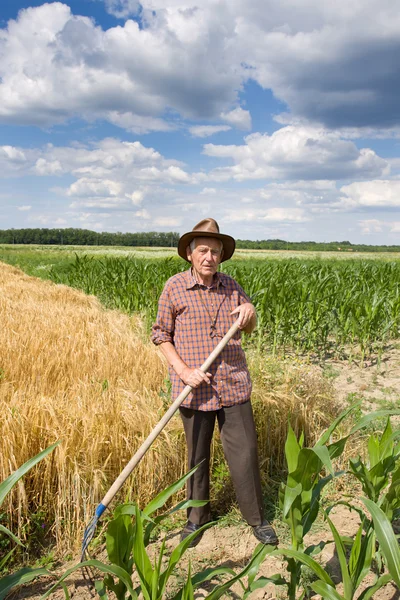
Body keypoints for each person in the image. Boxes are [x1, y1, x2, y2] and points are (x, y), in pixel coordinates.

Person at [151, 218, 278, 547]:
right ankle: (197, 516)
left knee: (246, 452)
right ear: (190, 254)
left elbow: (247, 326)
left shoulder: (231, 286)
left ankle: (256, 519)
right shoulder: (175, 287)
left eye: (216, 252)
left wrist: (249, 312)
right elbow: (161, 336)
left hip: (232, 384)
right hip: (193, 388)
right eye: (204, 250)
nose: (210, 257)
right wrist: (183, 371)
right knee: (197, 456)